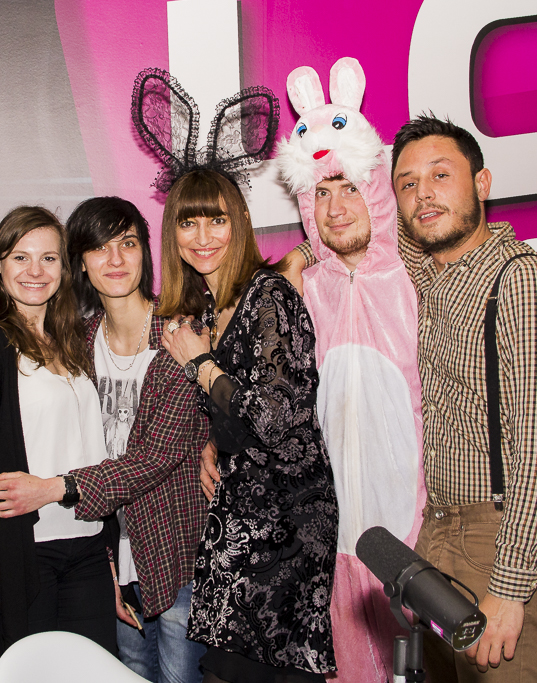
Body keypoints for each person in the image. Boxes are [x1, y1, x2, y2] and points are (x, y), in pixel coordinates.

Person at [0, 196, 210, 683]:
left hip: (174, 554)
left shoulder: (179, 335)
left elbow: (158, 456)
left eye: (128, 243)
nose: (116, 259)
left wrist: (55, 488)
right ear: (80, 263)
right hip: (106, 556)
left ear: (146, 252)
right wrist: (102, 558)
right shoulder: (76, 342)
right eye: (99, 248)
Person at [389, 116, 537, 682]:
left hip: (501, 535)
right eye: (408, 183)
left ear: (482, 183)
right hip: (437, 533)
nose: (423, 193)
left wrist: (511, 588)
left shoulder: (521, 281)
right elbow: (355, 222)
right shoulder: (430, 275)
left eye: (440, 175)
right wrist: (299, 255)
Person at [272, 58, 426, 682]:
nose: (336, 208)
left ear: (376, 189)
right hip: (335, 546)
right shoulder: (302, 293)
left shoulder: (421, 280)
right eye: (321, 192)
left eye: (348, 187)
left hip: (422, 534)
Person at [160, 169, 338, 683]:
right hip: (239, 517)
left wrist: (200, 364)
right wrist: (213, 442)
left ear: (240, 220)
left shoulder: (269, 295)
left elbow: (274, 418)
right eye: (188, 223)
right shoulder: (210, 309)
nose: (203, 237)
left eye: (216, 220)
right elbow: (240, 409)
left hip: (285, 523)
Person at [0, 206, 115, 670]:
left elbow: (88, 449)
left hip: (87, 548)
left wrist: (109, 555)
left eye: (49, 258)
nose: (35, 271)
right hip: (24, 556)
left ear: (64, 268)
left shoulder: (72, 342)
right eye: (21, 257)